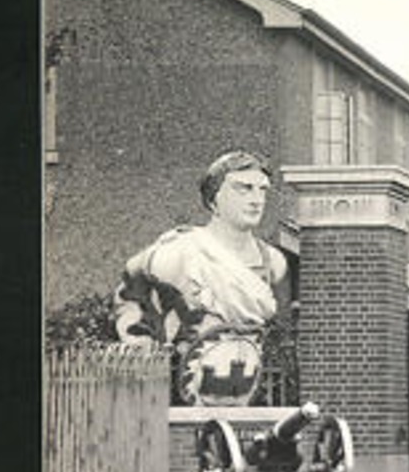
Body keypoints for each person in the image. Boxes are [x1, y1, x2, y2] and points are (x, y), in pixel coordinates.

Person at [114, 150, 289, 405]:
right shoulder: (180, 251)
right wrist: (138, 340)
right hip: (185, 389)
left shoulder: (274, 262)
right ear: (214, 198)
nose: (256, 199)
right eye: (243, 189)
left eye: (262, 190)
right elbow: (131, 285)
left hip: (246, 389)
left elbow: (281, 331)